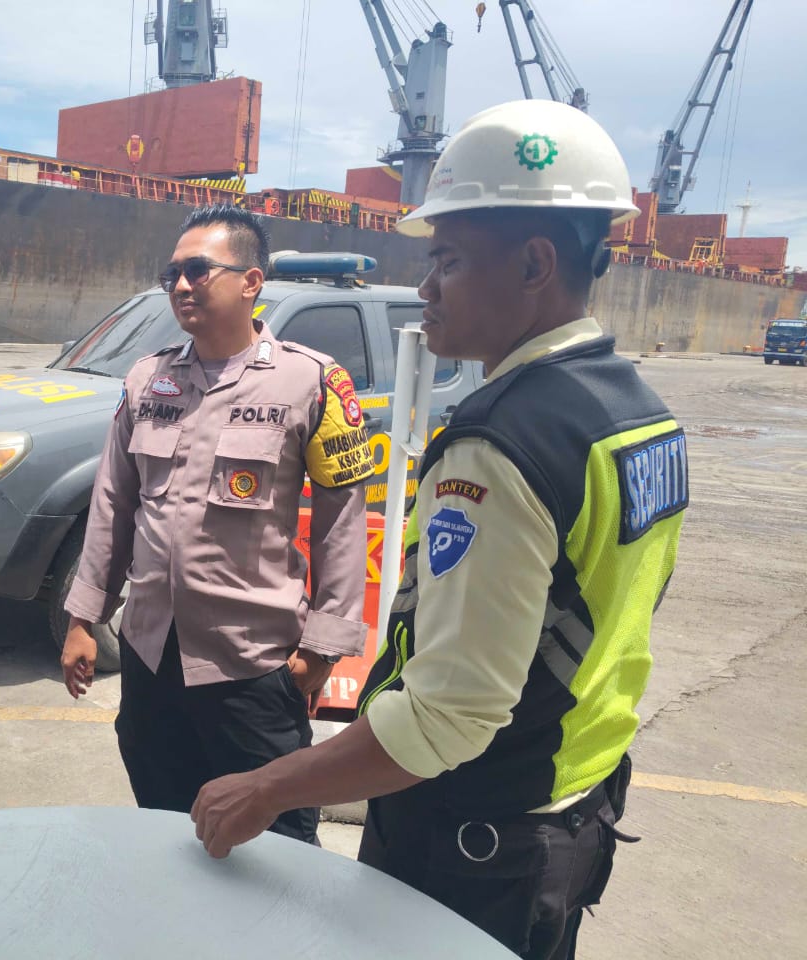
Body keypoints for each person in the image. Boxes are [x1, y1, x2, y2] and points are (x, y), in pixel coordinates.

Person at [190, 100, 689, 959]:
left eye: (447, 259)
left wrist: (266, 789)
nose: (424, 287)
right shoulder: (641, 418)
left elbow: (450, 716)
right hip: (572, 813)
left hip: (474, 843)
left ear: (534, 264)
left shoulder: (500, 444)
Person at [61, 203, 373, 844]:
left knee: (278, 845)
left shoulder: (311, 382)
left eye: (198, 271)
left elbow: (342, 522)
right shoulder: (147, 380)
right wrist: (82, 620)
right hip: (151, 659)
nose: (180, 285)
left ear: (251, 281)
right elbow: (114, 503)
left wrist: (322, 648)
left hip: (251, 664)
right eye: (171, 273)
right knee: (165, 826)